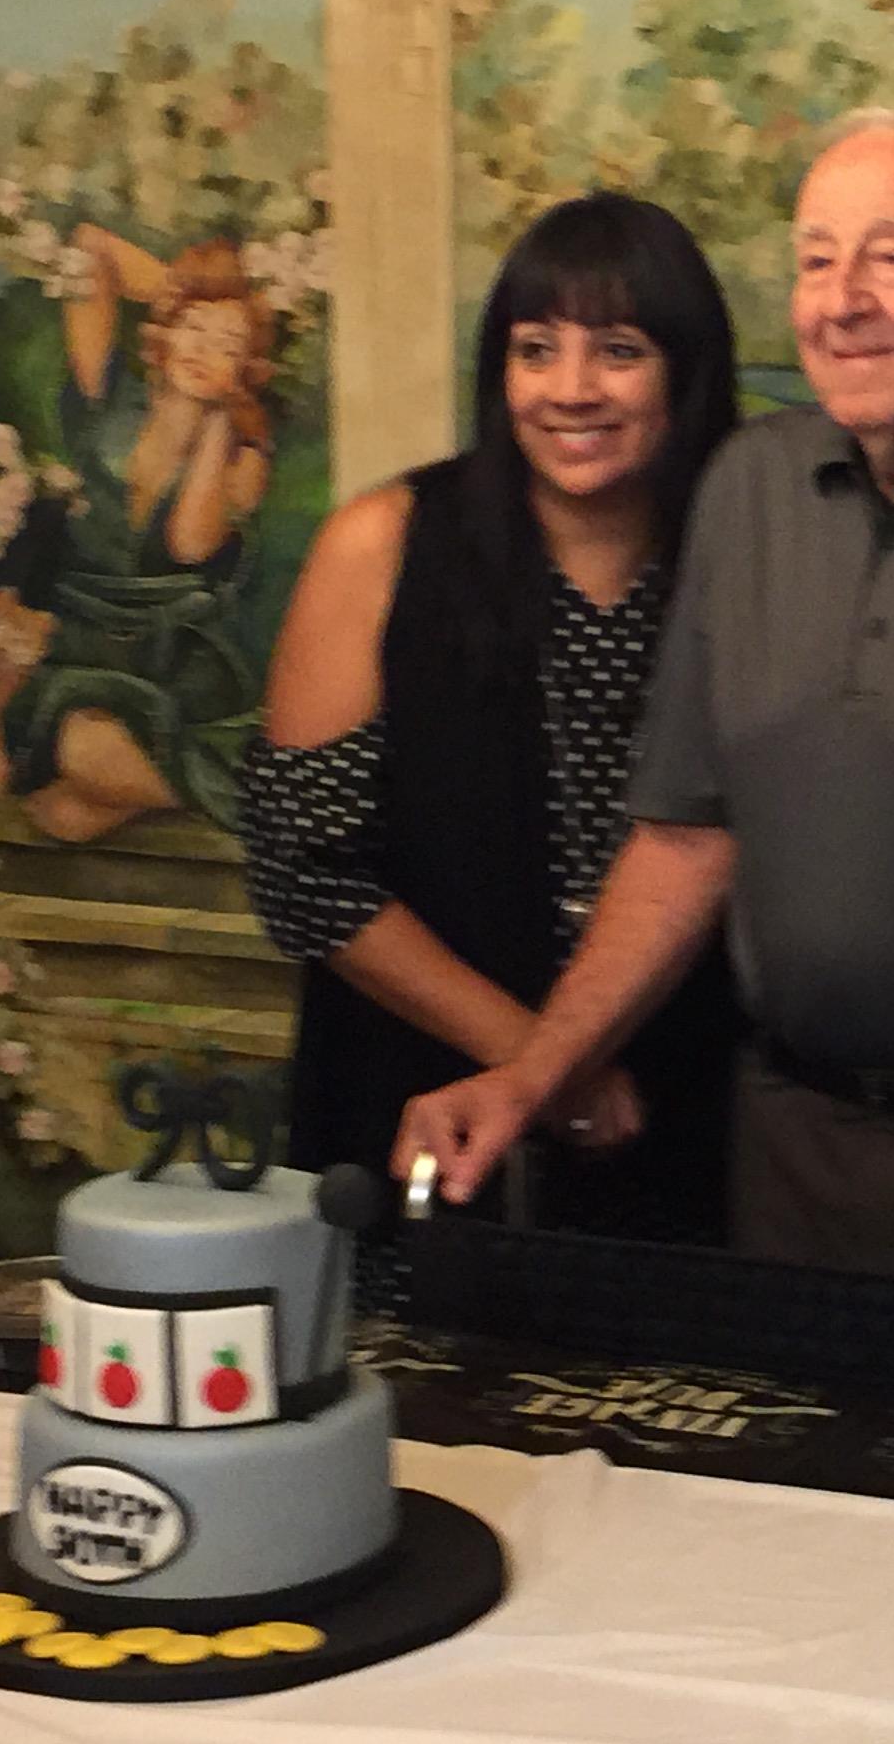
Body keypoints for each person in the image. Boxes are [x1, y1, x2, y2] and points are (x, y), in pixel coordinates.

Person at [393, 109, 894, 1376]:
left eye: (890, 257)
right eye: (815, 261)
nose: (842, 303)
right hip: (784, 1159)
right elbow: (684, 839)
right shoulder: (750, 484)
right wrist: (533, 1074)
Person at [239, 194, 743, 1258]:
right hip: (417, 1105)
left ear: (687, 373)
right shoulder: (385, 544)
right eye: (535, 349)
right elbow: (304, 872)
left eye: (618, 350)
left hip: (693, 1115)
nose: (571, 389)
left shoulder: (750, 557)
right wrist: (544, 1064)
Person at [0, 226, 282, 842]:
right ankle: (238, 801)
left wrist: (222, 418)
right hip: (83, 646)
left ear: (246, 369)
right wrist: (188, 291)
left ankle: (229, 802)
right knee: (78, 760)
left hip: (178, 666)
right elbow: (89, 247)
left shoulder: (245, 461)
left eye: (227, 345)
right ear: (166, 331)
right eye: (193, 330)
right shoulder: (107, 400)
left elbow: (189, 545)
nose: (202, 350)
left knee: (72, 805)